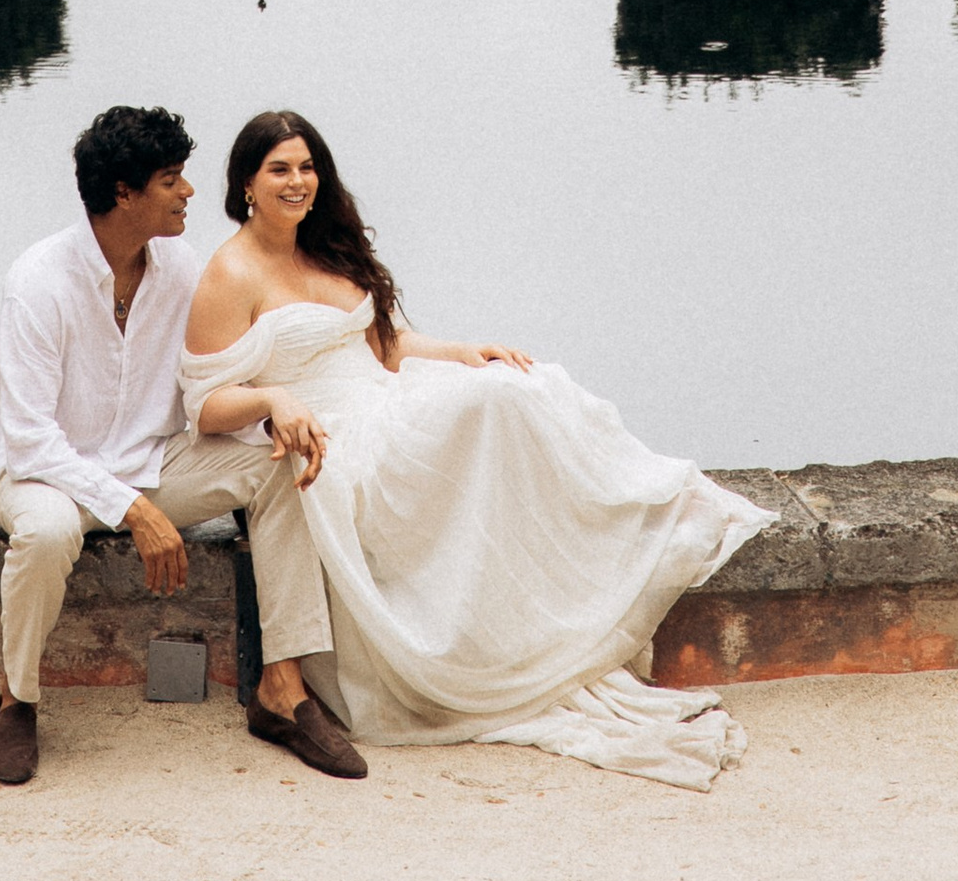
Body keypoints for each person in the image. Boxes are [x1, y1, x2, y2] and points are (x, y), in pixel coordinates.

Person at [180, 108, 762, 789]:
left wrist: (458, 351)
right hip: (337, 431)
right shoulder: (230, 273)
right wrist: (274, 401)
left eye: (307, 167)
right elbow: (205, 407)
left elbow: (380, 344)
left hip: (384, 397)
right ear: (245, 183)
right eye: (279, 169)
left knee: (513, 387)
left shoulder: (326, 244)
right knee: (487, 415)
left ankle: (654, 498)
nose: (297, 182)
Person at [0, 102, 365, 789]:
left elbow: (208, 386)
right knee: (45, 534)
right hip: (44, 477)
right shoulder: (37, 281)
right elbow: (30, 439)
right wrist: (134, 511)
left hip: (152, 463)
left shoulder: (180, 267)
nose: (189, 192)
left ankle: (282, 689)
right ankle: (16, 702)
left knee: (277, 469)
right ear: (123, 193)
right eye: (171, 180)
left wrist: (274, 410)